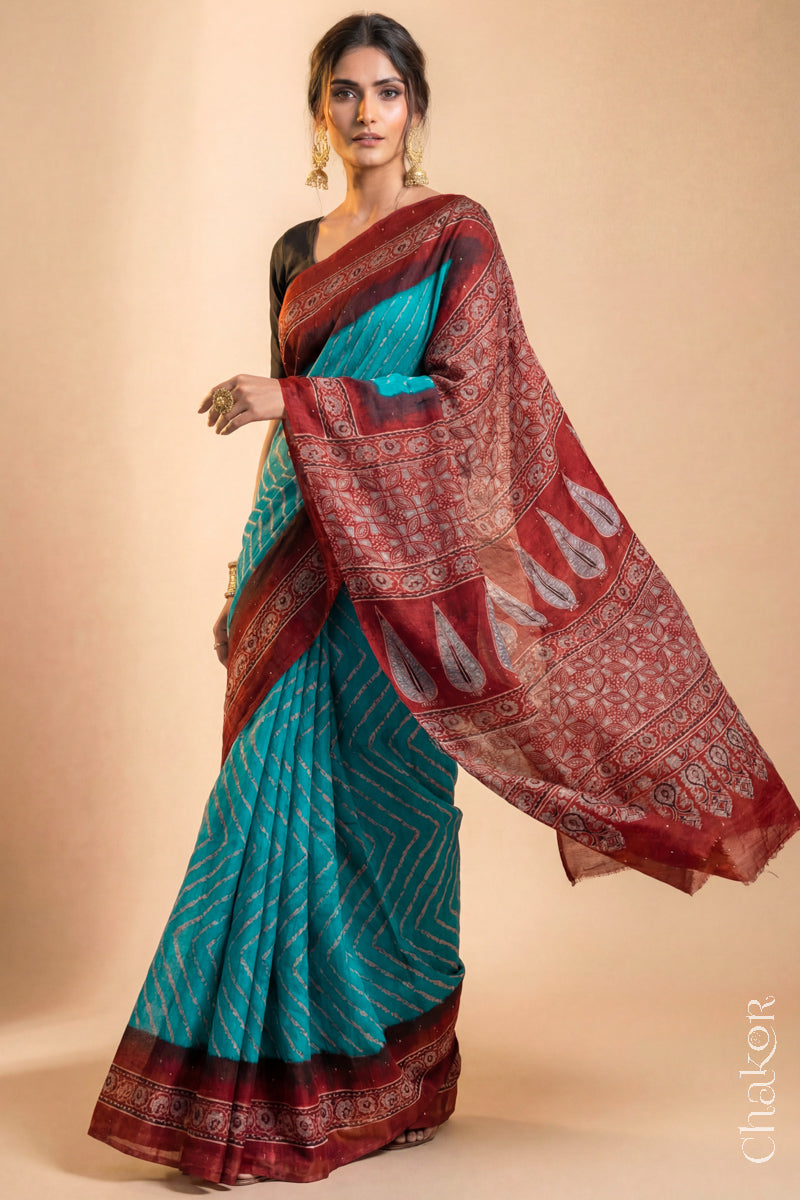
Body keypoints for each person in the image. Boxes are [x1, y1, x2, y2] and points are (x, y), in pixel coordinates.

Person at [88, 11, 800, 1188]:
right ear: (318, 109)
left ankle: (401, 1073)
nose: (364, 111)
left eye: (385, 90)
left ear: (416, 106)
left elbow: (473, 414)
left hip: (406, 580)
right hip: (294, 554)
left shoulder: (454, 237)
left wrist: (294, 402)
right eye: (343, 92)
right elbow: (284, 432)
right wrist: (236, 567)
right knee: (259, 811)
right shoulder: (292, 249)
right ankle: (247, 1089)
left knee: (395, 820)